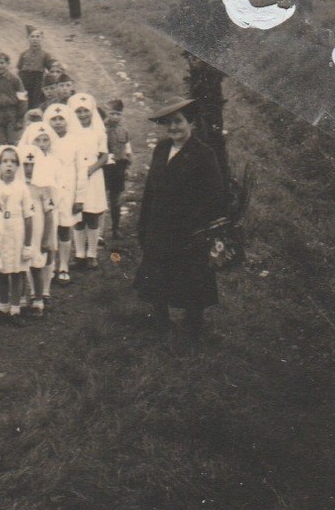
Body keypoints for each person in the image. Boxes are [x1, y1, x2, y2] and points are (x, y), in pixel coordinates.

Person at [135, 97, 227, 347]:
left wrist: (192, 223)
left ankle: (193, 325)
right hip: (158, 225)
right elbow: (151, 190)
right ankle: (161, 321)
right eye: (169, 123)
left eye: (178, 122)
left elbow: (215, 196)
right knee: (157, 273)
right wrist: (144, 223)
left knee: (191, 277)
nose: (173, 128)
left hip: (189, 230)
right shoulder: (162, 149)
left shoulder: (203, 153)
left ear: (191, 123)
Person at [0, 145, 35, 326]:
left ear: (18, 166)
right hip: (1, 232)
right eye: (4, 162)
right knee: (2, 271)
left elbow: (29, 218)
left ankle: (16, 309)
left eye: (13, 162)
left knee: (17, 271)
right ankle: (3, 307)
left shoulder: (22, 188)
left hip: (17, 231)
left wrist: (28, 244)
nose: (9, 166)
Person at [66, 92, 111, 270]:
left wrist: (92, 168)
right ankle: (79, 254)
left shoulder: (98, 131)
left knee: (92, 214)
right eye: (78, 111)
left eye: (86, 111)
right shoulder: (70, 133)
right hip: (75, 178)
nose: (83, 115)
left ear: (92, 111)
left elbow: (105, 155)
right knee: (78, 216)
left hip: (93, 176)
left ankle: (92, 253)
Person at [43, 105, 80, 285]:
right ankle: (49, 267)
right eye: (54, 119)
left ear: (67, 121)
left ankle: (64, 265)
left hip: (69, 190)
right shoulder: (44, 140)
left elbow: (81, 170)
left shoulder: (75, 140)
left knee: (65, 227)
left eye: (61, 119)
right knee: (49, 228)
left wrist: (80, 196)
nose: (57, 123)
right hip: (49, 190)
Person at [19, 146, 56, 316]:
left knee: (36, 265)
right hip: (20, 230)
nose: (28, 169)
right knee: (19, 266)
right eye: (25, 164)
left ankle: (39, 300)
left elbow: (49, 214)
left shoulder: (43, 186)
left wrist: (46, 238)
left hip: (37, 230)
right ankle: (19, 300)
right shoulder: (17, 185)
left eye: (32, 165)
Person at [0, 51, 27, 152]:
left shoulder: (15, 80)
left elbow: (23, 99)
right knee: (0, 144)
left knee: (13, 143)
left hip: (12, 114)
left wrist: (20, 119)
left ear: (7, 63)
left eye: (2, 63)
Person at [102, 100, 133, 238]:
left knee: (116, 199)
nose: (115, 117)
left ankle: (115, 228)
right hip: (104, 168)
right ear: (107, 113)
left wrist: (127, 167)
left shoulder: (124, 130)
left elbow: (127, 149)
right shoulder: (101, 129)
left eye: (118, 114)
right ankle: (98, 231)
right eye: (112, 113)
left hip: (119, 167)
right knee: (100, 199)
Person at [16, 25, 53, 109]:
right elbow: (19, 68)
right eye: (32, 36)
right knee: (23, 98)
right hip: (24, 78)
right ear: (28, 38)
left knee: (36, 99)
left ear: (41, 38)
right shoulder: (24, 54)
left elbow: (50, 67)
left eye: (37, 37)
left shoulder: (45, 54)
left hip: (37, 79)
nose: (35, 39)